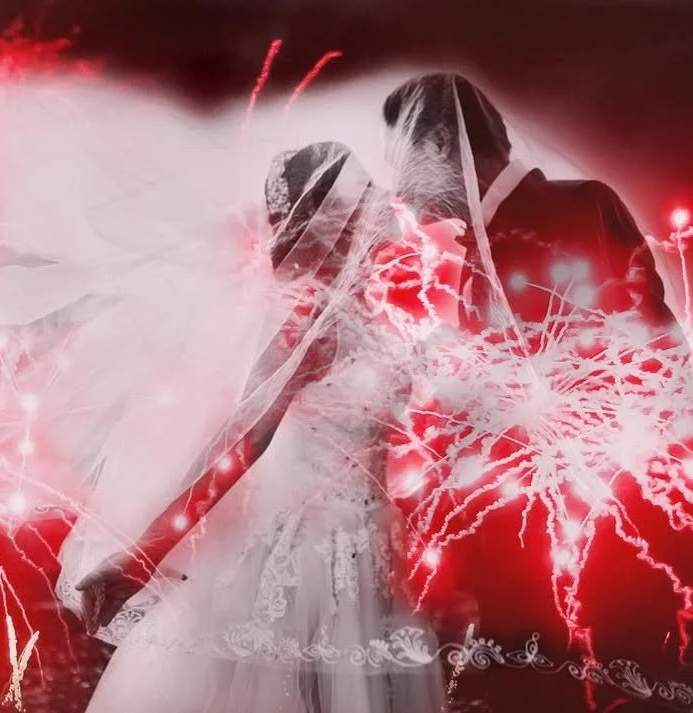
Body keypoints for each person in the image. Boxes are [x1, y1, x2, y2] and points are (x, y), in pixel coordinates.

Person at [381, 72, 693, 711]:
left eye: (404, 158)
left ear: (439, 150)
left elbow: (643, 356)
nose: (402, 188)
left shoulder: (576, 207)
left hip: (606, 520)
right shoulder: (500, 239)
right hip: (543, 528)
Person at [73, 142, 448, 713]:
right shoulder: (349, 323)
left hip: (336, 551)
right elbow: (248, 443)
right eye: (362, 206)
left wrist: (145, 554)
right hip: (338, 554)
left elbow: (258, 441)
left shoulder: (338, 324)